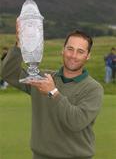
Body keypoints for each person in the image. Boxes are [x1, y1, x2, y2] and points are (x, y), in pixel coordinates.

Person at [0, 27, 104, 159]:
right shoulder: (43, 78)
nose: (73, 55)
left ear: (88, 56)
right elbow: (8, 73)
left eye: (80, 51)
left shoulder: (93, 89)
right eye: (70, 49)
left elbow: (76, 121)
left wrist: (53, 92)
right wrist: (20, 43)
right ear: (63, 50)